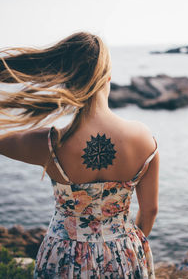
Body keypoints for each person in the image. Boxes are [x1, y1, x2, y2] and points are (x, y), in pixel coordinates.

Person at [0, 31, 159, 278]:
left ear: (66, 81)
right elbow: (150, 210)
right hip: (124, 252)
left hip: (63, 256)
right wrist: (123, 248)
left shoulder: (49, 143)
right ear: (108, 77)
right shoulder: (143, 137)